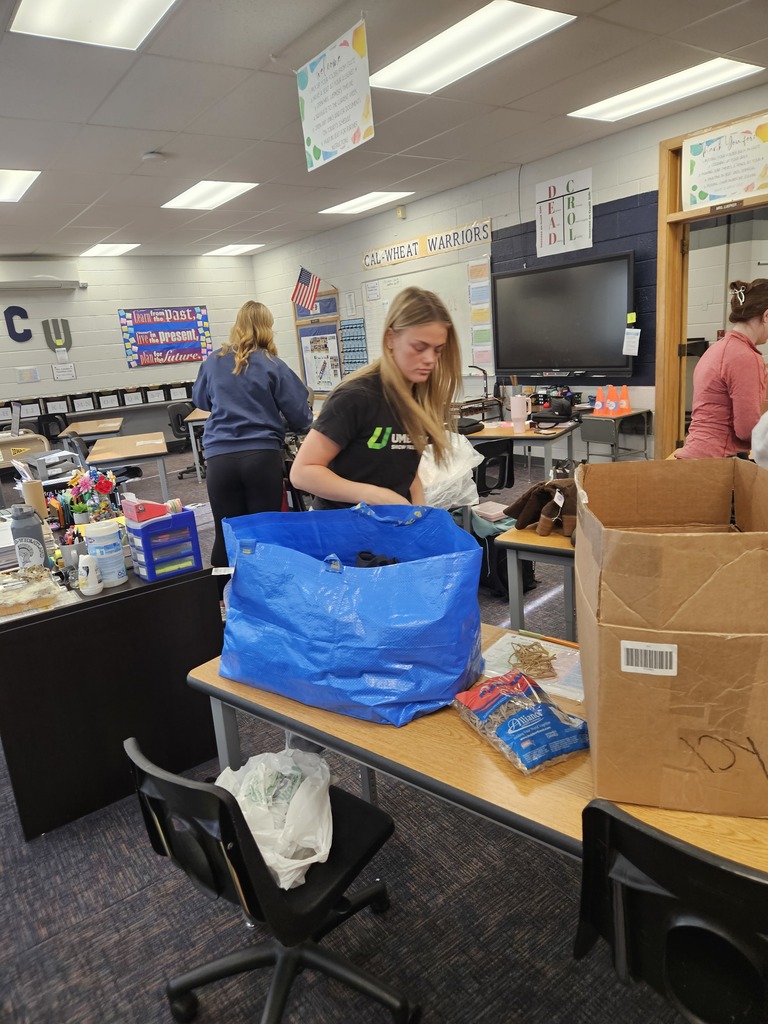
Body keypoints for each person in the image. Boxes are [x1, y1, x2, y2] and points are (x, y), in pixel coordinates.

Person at [290, 286, 463, 509]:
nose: (430, 359)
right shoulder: (356, 397)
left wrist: (419, 515)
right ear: (391, 338)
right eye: (419, 347)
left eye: (437, 350)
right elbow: (303, 472)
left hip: (385, 528)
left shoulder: (419, 399)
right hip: (341, 531)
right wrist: (374, 495)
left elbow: (408, 473)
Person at [192, 300, 313, 577]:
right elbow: (302, 417)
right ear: (266, 329)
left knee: (226, 532)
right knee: (264, 533)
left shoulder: (213, 361)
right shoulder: (272, 364)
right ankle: (264, 597)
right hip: (261, 457)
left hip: (219, 459)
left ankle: (222, 603)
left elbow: (200, 399)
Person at [675, 279, 768, 459]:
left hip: (695, 454)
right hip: (717, 462)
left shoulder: (716, 349)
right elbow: (748, 429)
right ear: (766, 316)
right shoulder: (745, 356)